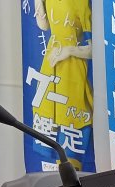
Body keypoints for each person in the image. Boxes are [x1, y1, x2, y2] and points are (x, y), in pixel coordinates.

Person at [32, 0, 94, 171]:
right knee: (48, 119)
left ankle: (73, 176)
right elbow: (43, 25)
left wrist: (69, 50)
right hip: (51, 65)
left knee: (72, 121)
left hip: (73, 67)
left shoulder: (82, 3)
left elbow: (95, 48)